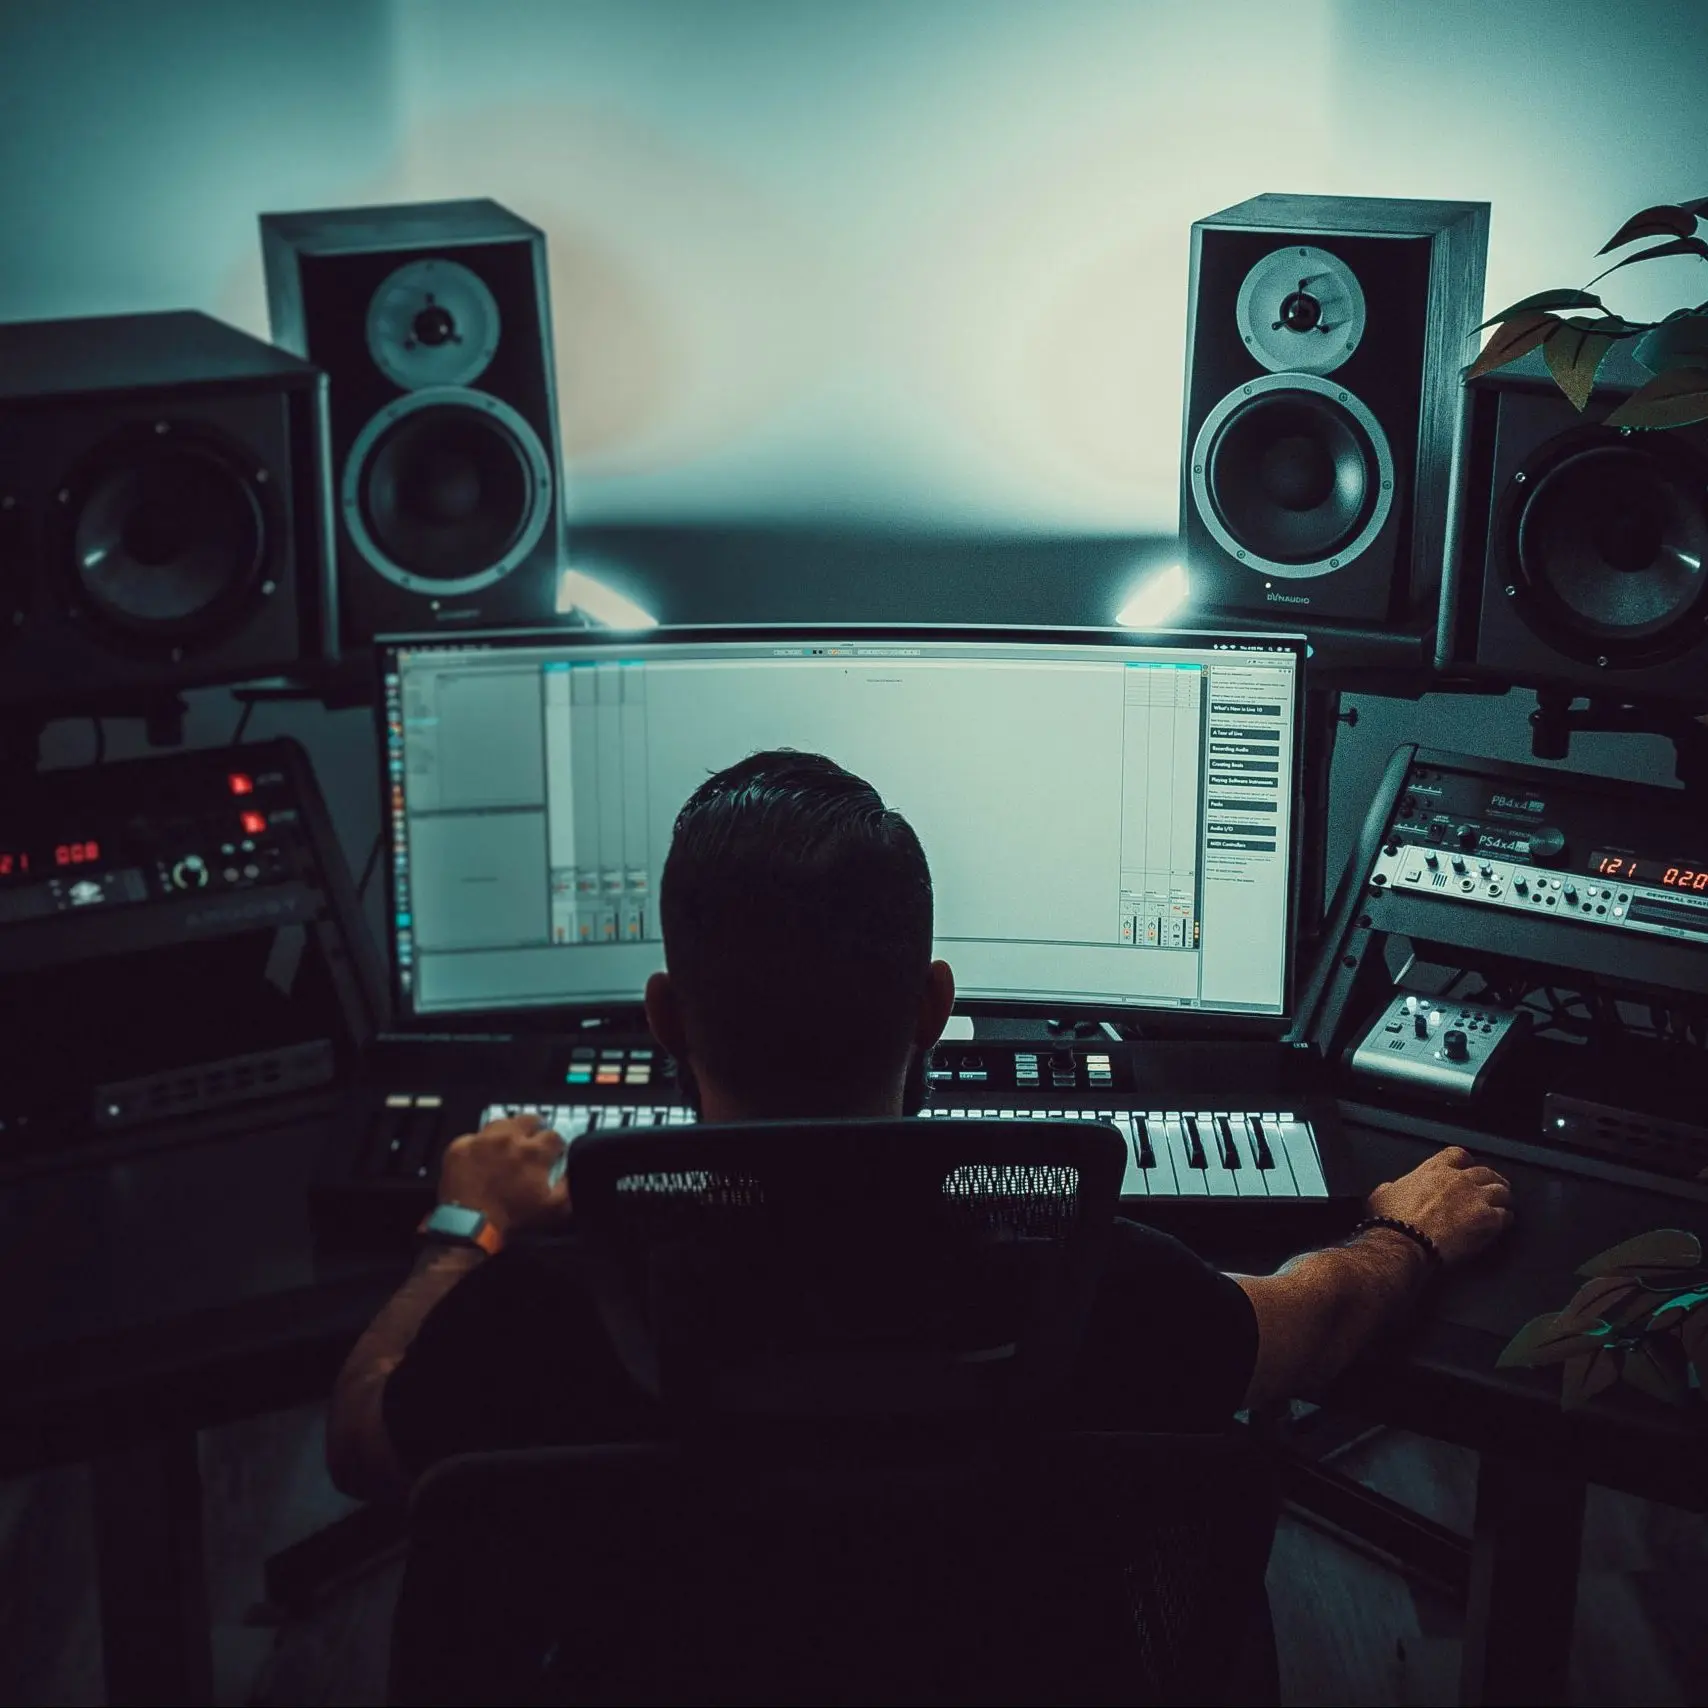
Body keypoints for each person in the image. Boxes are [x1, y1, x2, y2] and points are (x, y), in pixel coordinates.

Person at [328, 750, 1513, 1503]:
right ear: (935, 1007)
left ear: (665, 1019)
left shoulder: (546, 1309)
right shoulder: (1088, 1279)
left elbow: (365, 1439)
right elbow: (1310, 1325)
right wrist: (1401, 1237)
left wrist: (457, 1232)